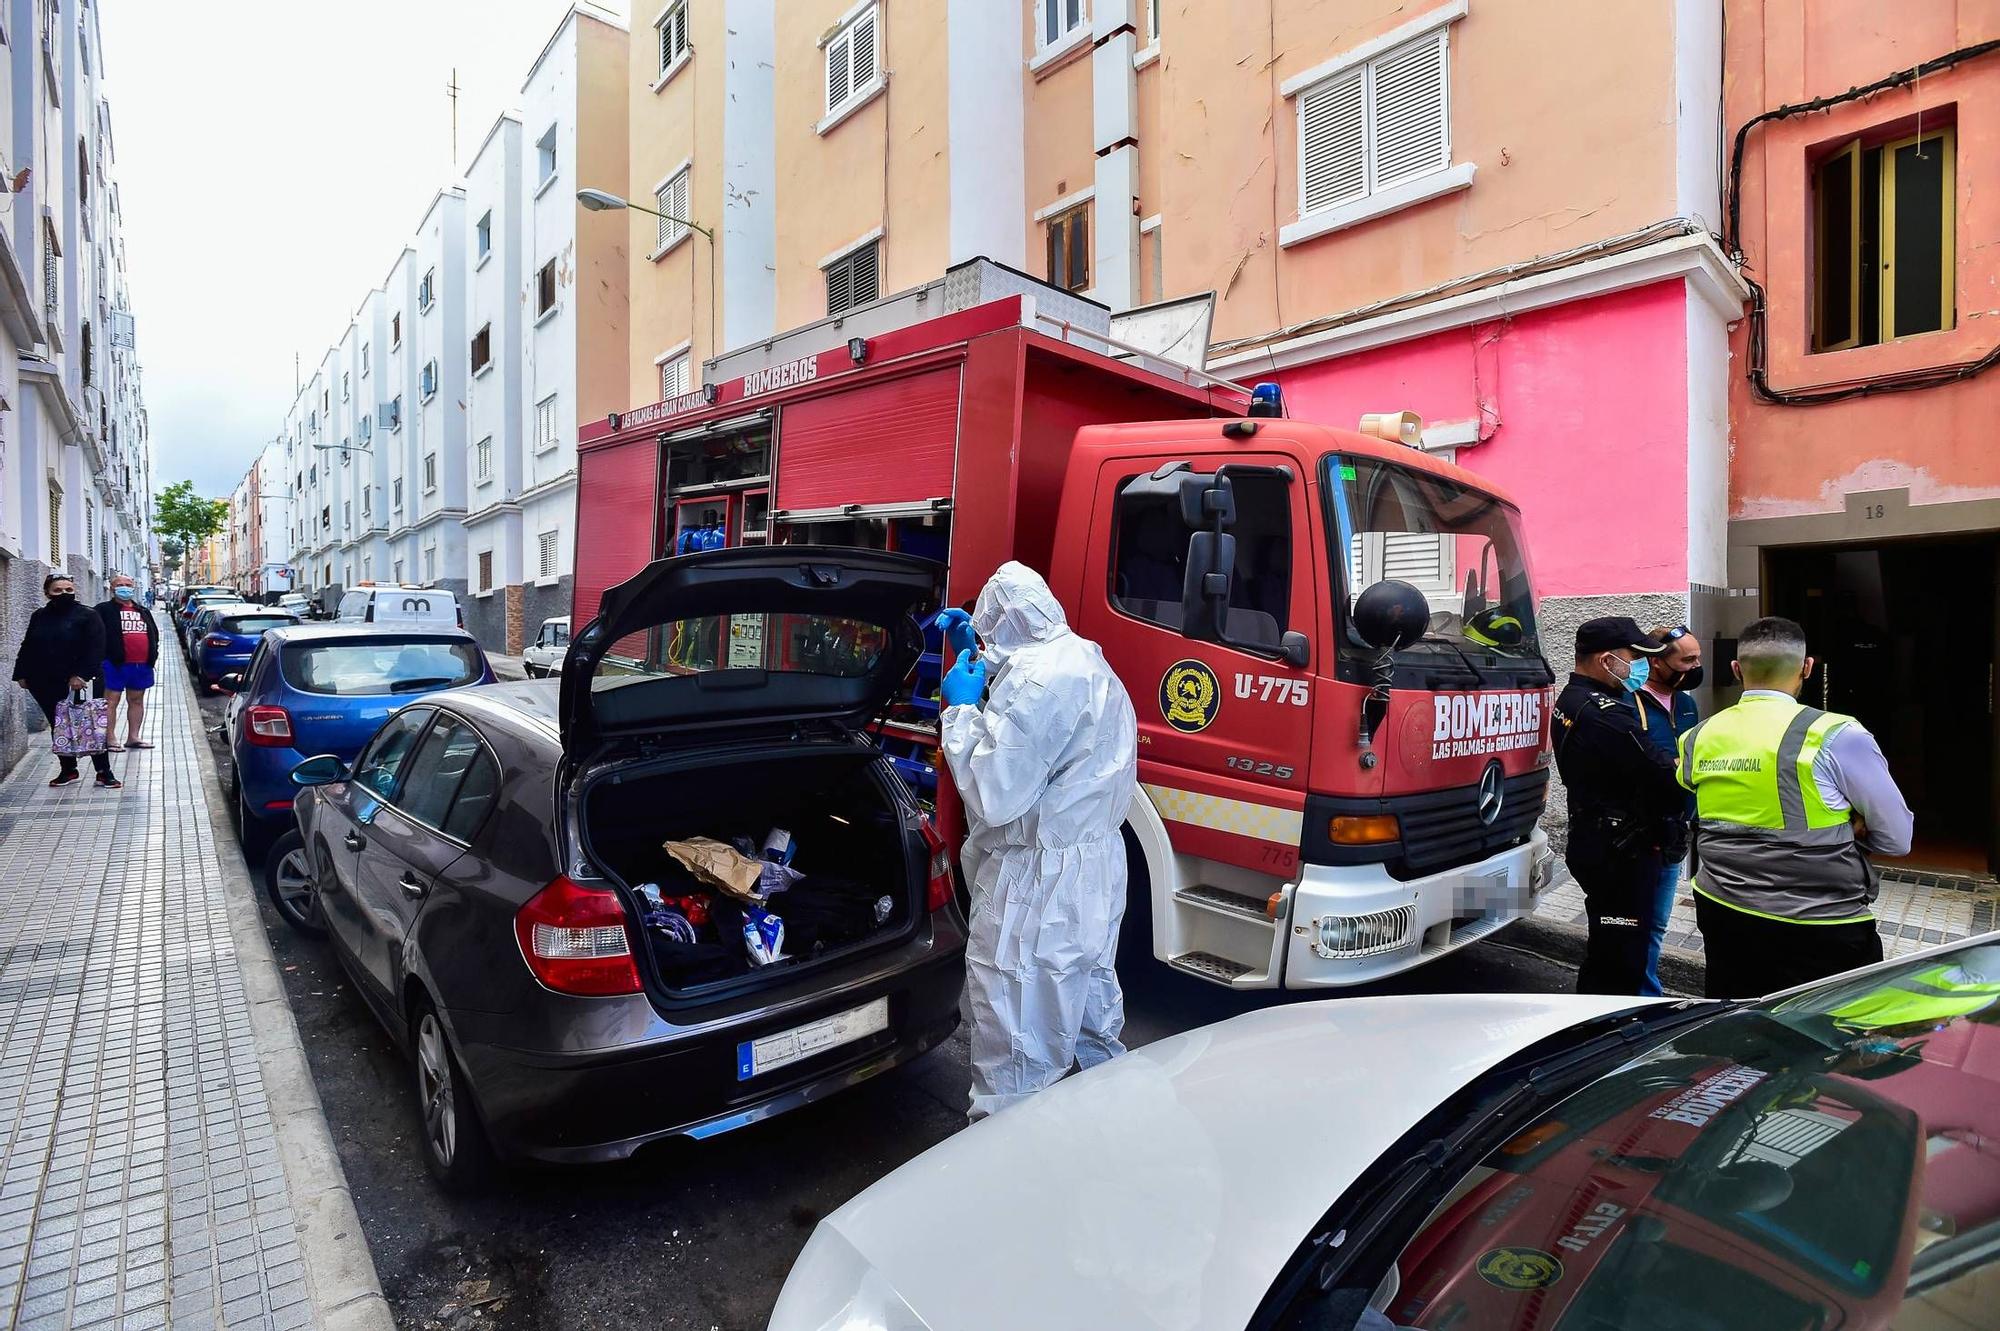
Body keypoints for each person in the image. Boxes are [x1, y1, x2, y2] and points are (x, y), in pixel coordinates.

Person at [936, 562, 1138, 1121]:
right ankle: (1105, 1135)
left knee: (1017, 1037)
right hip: (1093, 869)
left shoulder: (1035, 681)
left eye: (986, 626)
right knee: (1088, 1009)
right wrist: (977, 649)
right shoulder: (1084, 659)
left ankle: (1013, 1175)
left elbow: (996, 790)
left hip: (1038, 884)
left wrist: (960, 711)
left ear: (1004, 621)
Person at [1677, 616, 1913, 999]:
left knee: (1737, 1024)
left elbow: (1706, 799)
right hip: (1817, 923)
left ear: (1736, 670)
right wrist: (1851, 824)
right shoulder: (1838, 735)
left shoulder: (1697, 736)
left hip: (1722, 911)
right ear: (1807, 667)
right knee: (1826, 1041)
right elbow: (1897, 838)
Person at [1551, 616, 1685, 995]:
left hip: (1597, 838)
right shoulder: (1605, 716)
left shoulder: (1572, 699)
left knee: (1609, 946)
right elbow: (1665, 777)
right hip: (1619, 853)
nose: (1642, 666)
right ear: (1607, 659)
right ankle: (1607, 1030)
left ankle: (1595, 1017)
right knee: (1621, 956)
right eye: (1635, 657)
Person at [1630, 624, 1702, 996]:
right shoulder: (1630, 703)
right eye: (1687, 660)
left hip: (1677, 832)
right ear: (1656, 663)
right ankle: (1636, 997)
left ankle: (1647, 990)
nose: (1695, 667)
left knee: (1657, 922)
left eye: (1698, 658)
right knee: (1633, 922)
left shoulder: (1688, 705)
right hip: (1640, 836)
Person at [11, 574, 119, 788]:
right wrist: (21, 673)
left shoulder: (88, 615)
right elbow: (28, 645)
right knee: (58, 725)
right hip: (43, 680)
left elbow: (96, 648)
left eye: (68, 590)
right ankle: (68, 770)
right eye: (58, 590)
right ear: (47, 593)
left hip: (79, 681)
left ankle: (103, 772)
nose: (64, 594)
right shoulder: (39, 616)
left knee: (90, 724)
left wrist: (81, 675)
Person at [96, 574, 159, 751]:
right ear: (112, 588)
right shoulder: (103, 610)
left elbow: (153, 633)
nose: (124, 588)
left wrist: (153, 654)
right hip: (114, 664)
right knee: (111, 700)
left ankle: (133, 737)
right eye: (120, 585)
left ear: (133, 588)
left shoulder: (142, 611)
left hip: (141, 664)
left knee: (137, 700)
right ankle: (110, 738)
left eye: (128, 584)